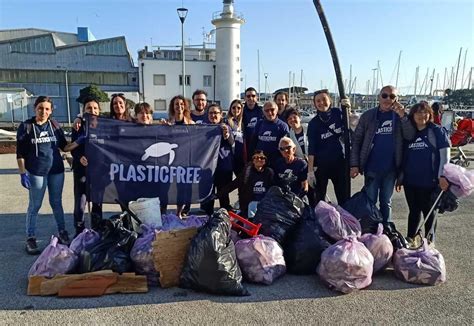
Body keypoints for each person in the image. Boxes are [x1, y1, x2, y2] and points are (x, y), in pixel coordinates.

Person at [350, 85, 415, 224]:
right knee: (370, 201)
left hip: (391, 169)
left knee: (386, 202)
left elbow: (410, 136)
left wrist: (403, 116)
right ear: (379, 97)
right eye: (384, 95)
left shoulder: (401, 116)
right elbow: (357, 140)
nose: (387, 99)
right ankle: (370, 229)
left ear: (396, 99)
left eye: (392, 96)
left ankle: (386, 230)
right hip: (371, 167)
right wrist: (354, 164)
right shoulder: (368, 116)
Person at [16, 96, 71, 254]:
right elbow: (20, 153)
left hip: (56, 171)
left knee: (56, 203)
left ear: (51, 110)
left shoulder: (54, 125)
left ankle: (62, 232)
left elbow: (64, 147)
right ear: (35, 108)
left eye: (47, 109)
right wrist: (22, 173)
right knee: (35, 206)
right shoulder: (26, 126)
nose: (44, 111)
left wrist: (80, 141)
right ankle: (31, 238)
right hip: (36, 173)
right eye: (41, 108)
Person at [396, 102, 450, 244]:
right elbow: (404, 157)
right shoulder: (410, 133)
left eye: (425, 112)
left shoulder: (436, 131)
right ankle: (411, 238)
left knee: (429, 212)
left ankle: (429, 242)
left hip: (430, 181)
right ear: (412, 115)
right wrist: (400, 178)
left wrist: (442, 176)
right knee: (414, 211)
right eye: (418, 112)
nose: (421, 115)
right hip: (411, 181)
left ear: (430, 114)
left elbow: (445, 156)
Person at [67, 97, 104, 236]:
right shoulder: (78, 126)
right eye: (89, 108)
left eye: (95, 108)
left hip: (99, 171)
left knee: (97, 201)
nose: (92, 110)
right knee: (81, 201)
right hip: (81, 169)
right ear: (83, 111)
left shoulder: (105, 126)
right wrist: (79, 157)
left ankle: (97, 228)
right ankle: (79, 229)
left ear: (99, 111)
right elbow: (73, 147)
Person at [307, 89, 350, 205]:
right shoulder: (313, 124)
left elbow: (352, 123)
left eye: (324, 99)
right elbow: (311, 148)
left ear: (330, 100)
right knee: (320, 200)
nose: (321, 103)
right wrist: (310, 171)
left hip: (339, 163)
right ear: (315, 104)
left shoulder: (338, 113)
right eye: (318, 101)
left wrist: (348, 109)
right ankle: (321, 221)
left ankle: (345, 221)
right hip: (322, 165)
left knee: (343, 197)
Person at [217, 150, 274, 218]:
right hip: (249, 205)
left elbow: (274, 189)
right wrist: (218, 195)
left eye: (262, 158)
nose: (259, 159)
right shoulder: (247, 172)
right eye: (256, 158)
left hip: (264, 205)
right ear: (253, 160)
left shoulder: (269, 173)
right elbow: (234, 184)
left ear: (265, 161)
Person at [163, 95, 195, 217]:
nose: (179, 106)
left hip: (184, 161)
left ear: (185, 107)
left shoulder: (191, 123)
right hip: (169, 161)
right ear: (173, 107)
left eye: (181, 104)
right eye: (176, 104)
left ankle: (179, 212)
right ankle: (163, 212)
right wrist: (164, 129)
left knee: (182, 188)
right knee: (164, 188)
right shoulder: (167, 123)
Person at [201, 104, 235, 215]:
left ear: (221, 114)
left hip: (223, 167)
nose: (213, 115)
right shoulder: (203, 128)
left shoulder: (225, 127)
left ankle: (224, 218)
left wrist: (227, 134)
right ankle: (207, 216)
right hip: (207, 167)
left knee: (223, 195)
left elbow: (232, 142)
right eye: (210, 113)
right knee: (208, 194)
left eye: (216, 113)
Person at [249, 101, 289, 166]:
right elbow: (253, 142)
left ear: (276, 110)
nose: (270, 113)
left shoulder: (283, 126)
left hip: (276, 163)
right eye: (267, 111)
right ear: (263, 112)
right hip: (260, 162)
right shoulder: (259, 124)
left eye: (272, 110)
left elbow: (285, 148)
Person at [226, 99, 246, 176]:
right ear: (230, 109)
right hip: (229, 157)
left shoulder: (242, 124)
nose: (236, 110)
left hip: (240, 158)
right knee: (227, 184)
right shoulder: (226, 121)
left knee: (242, 183)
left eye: (238, 108)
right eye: (233, 107)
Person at [242, 87, 263, 155]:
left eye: (253, 96)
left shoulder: (262, 111)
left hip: (259, 144)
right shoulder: (241, 111)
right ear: (245, 98)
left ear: (256, 97)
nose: (251, 98)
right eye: (248, 96)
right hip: (244, 143)